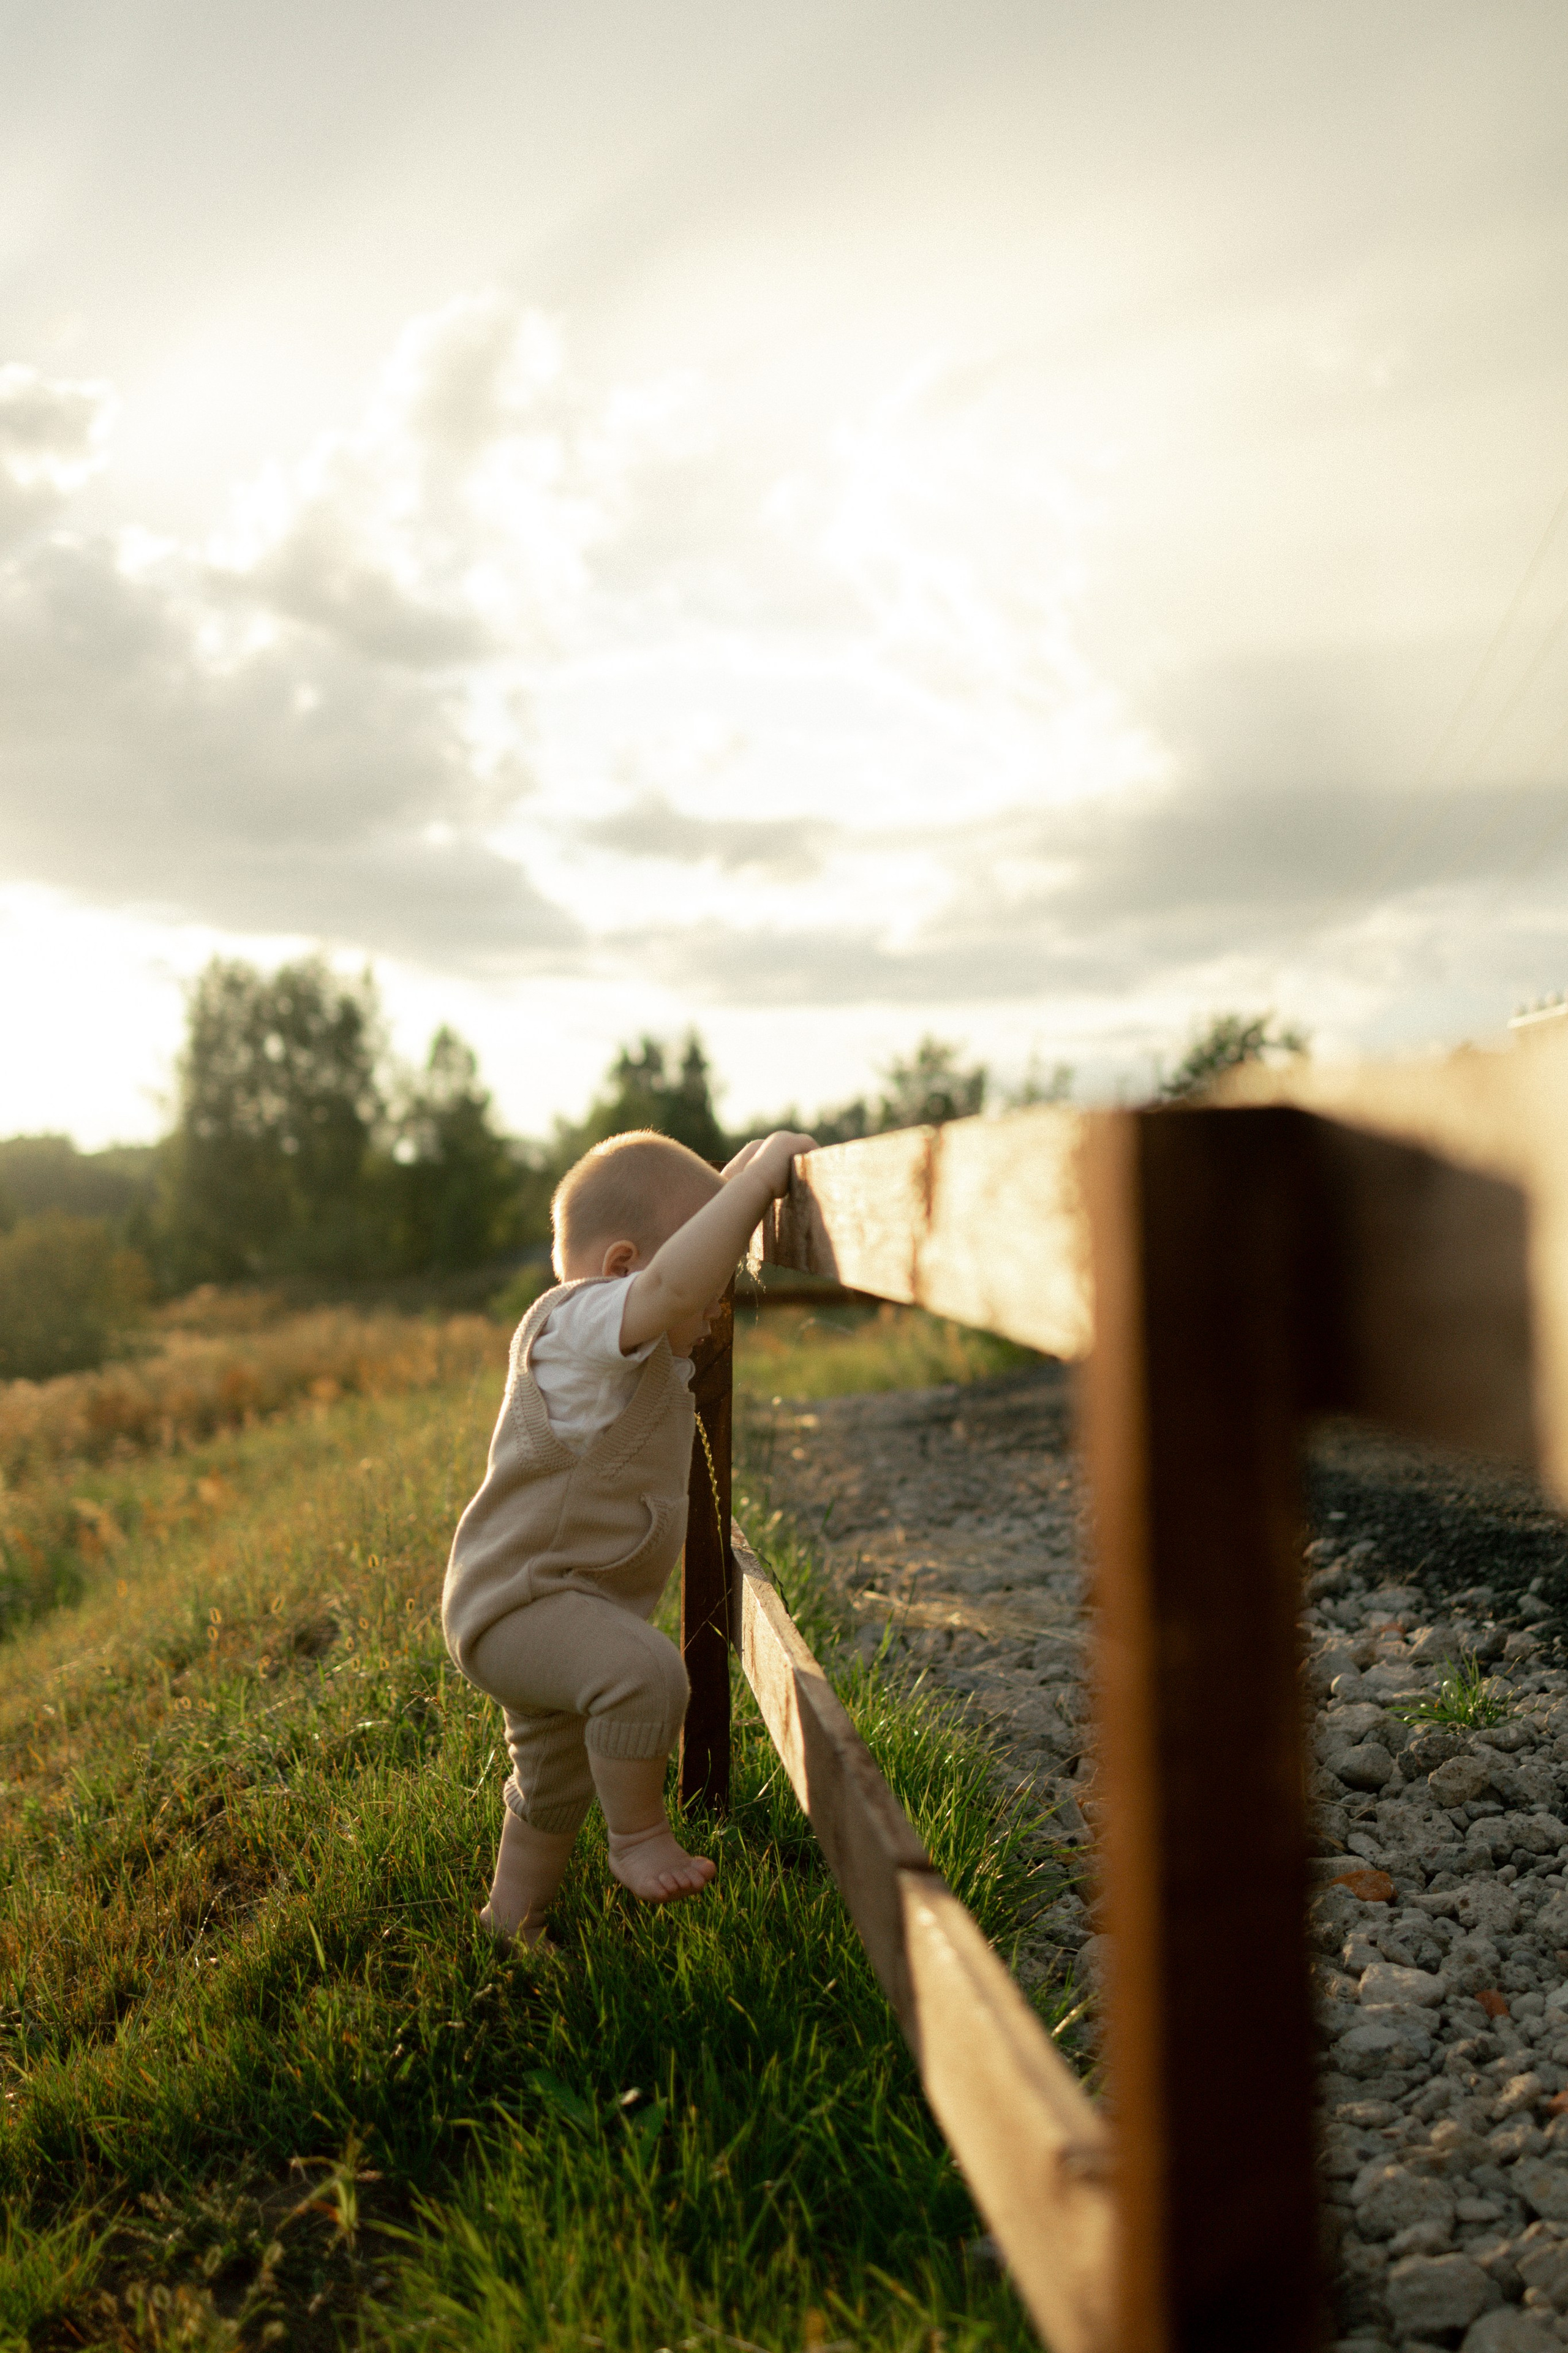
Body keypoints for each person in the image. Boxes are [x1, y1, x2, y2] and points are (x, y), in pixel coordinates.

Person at [442, 1122, 817, 1947]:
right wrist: (755, 1187)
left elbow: (678, 1273)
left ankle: (512, 1922)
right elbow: (675, 1289)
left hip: (553, 1606)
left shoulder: (626, 1343)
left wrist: (741, 1175)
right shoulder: (579, 1323)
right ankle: (639, 1838)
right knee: (647, 1670)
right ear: (622, 1268)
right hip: (519, 1604)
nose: (715, 1307)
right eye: (714, 1281)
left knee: (552, 1779)